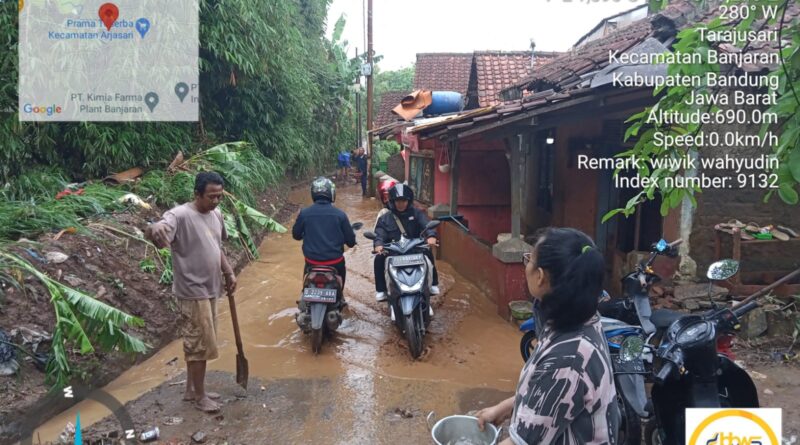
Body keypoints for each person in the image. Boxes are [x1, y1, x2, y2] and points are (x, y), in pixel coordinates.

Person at [475, 227, 620, 444]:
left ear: (540, 277)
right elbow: (550, 394)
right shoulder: (579, 320)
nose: (527, 266)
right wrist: (504, 408)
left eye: (529, 260)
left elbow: (522, 442)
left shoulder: (567, 359)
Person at [145, 172, 235, 413]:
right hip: (192, 290)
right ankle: (200, 396)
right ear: (196, 194)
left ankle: (190, 390)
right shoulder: (181, 215)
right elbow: (160, 227)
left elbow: (216, 247)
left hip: (211, 287)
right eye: (211, 196)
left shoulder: (216, 214)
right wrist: (154, 228)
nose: (216, 201)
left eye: (219, 196)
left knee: (198, 341)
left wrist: (228, 272)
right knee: (199, 343)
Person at [372, 183, 439, 302]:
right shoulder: (385, 218)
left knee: (428, 252)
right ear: (392, 201)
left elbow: (426, 225)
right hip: (394, 251)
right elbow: (380, 233)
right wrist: (378, 244)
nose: (401, 204)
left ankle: (433, 284)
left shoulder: (417, 213)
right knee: (378, 259)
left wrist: (431, 236)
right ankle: (381, 290)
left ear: (408, 201)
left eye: (403, 200)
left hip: (414, 248)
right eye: (398, 201)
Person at [292, 177, 356, 297]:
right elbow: (351, 242)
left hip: (312, 262)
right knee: (341, 274)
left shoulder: (304, 214)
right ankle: (339, 295)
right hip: (335, 262)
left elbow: (296, 235)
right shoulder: (340, 215)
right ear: (332, 193)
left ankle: (305, 292)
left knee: (306, 271)